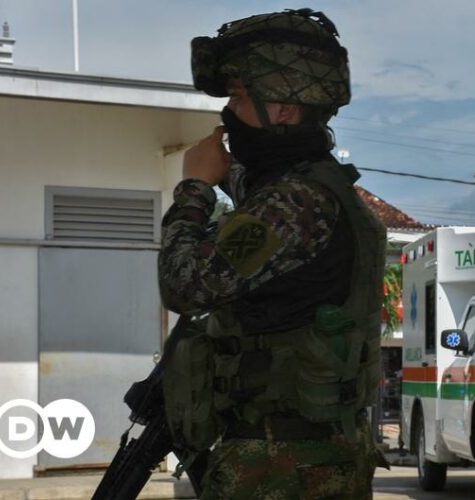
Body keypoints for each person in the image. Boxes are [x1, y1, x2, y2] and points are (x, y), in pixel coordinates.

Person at [157, 9, 387, 499]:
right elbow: (258, 199)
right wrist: (230, 172)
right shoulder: (316, 189)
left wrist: (194, 187)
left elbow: (185, 284)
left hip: (279, 465)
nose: (229, 112)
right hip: (308, 457)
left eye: (240, 97)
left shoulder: (295, 202)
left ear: (283, 108)